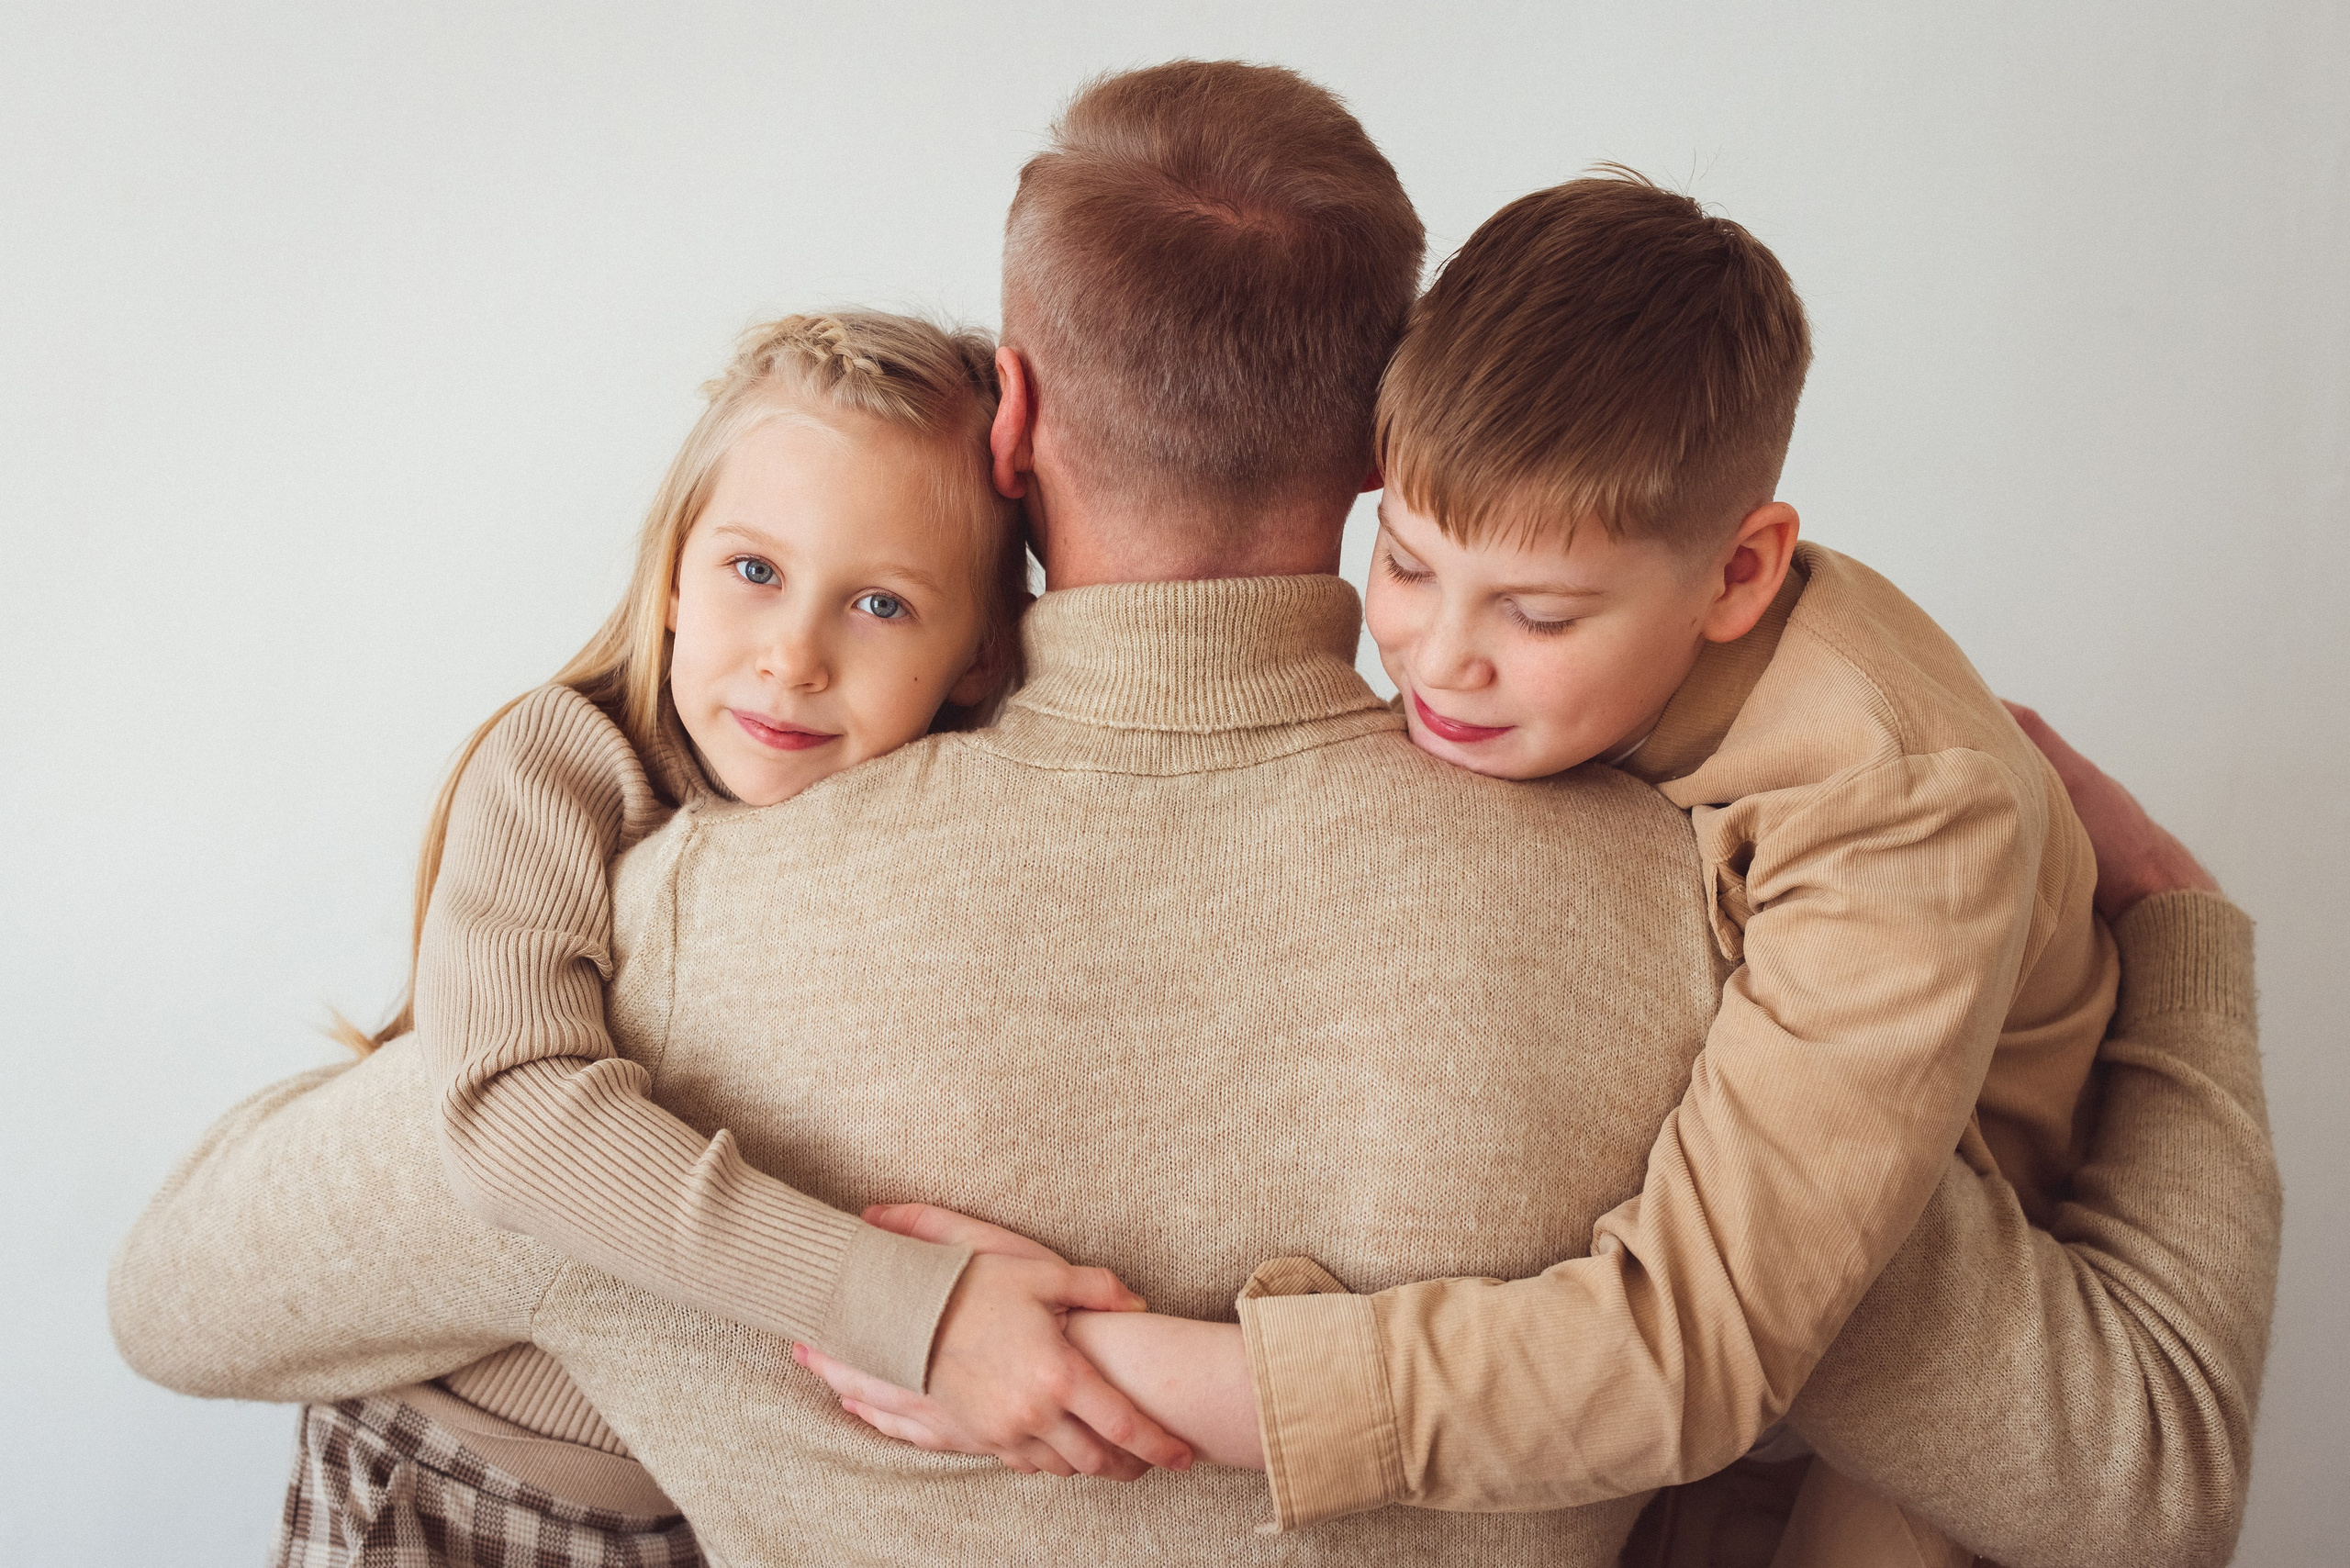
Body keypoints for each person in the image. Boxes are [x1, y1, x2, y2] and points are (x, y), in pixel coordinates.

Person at [109, 62, 2277, 1568]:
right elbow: (2137, 1478)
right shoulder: (1709, 962)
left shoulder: (656, 969)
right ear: (1384, 444)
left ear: (1013, 418)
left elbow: (178, 1299)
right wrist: (2176, 943)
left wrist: (724, 1320)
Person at [263, 308, 1167, 1562]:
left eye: (881, 603)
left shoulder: (957, 820)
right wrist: (905, 1307)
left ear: (977, 656)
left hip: (718, 1497)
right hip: (463, 1480)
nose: (793, 657)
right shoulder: (566, 765)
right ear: (675, 577)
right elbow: (510, 1117)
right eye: (754, 571)